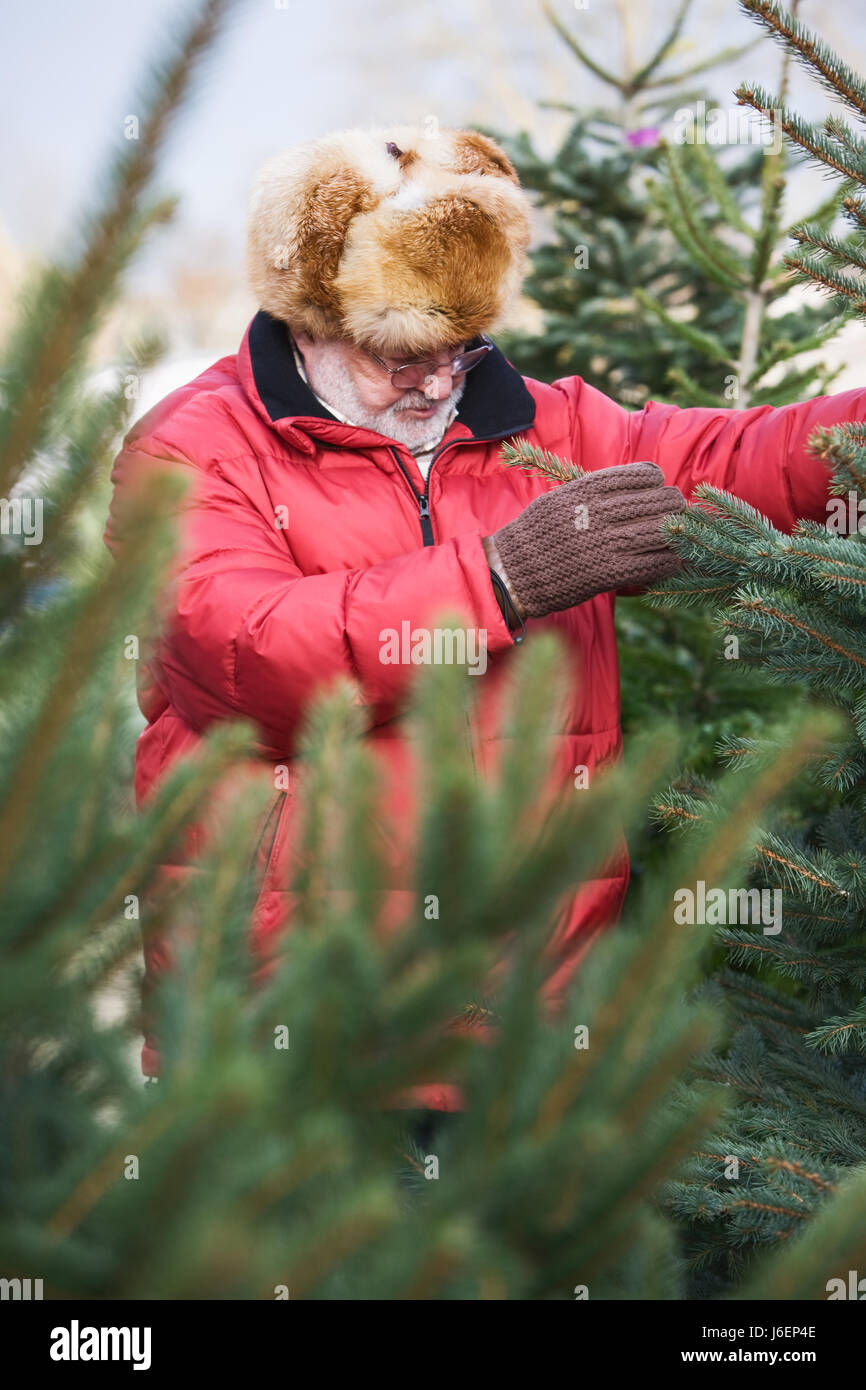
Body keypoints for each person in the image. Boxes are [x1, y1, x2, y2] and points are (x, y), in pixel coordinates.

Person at [104, 123, 866, 1114]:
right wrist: (502, 578)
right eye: (398, 355)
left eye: (456, 348)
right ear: (310, 321)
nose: (433, 381)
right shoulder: (191, 448)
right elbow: (244, 656)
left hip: (523, 1024)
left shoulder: (542, 427)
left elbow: (735, 461)